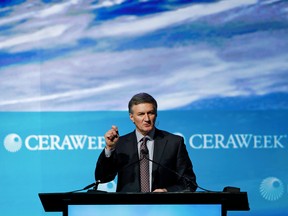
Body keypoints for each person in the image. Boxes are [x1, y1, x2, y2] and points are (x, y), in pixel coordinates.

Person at [95, 92, 197, 192]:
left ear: (156, 114)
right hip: (127, 207)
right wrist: (110, 148)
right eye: (141, 114)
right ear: (132, 117)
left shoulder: (174, 143)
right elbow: (102, 178)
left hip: (164, 207)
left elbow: (189, 183)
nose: (147, 119)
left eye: (150, 113)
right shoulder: (120, 144)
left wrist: (166, 191)